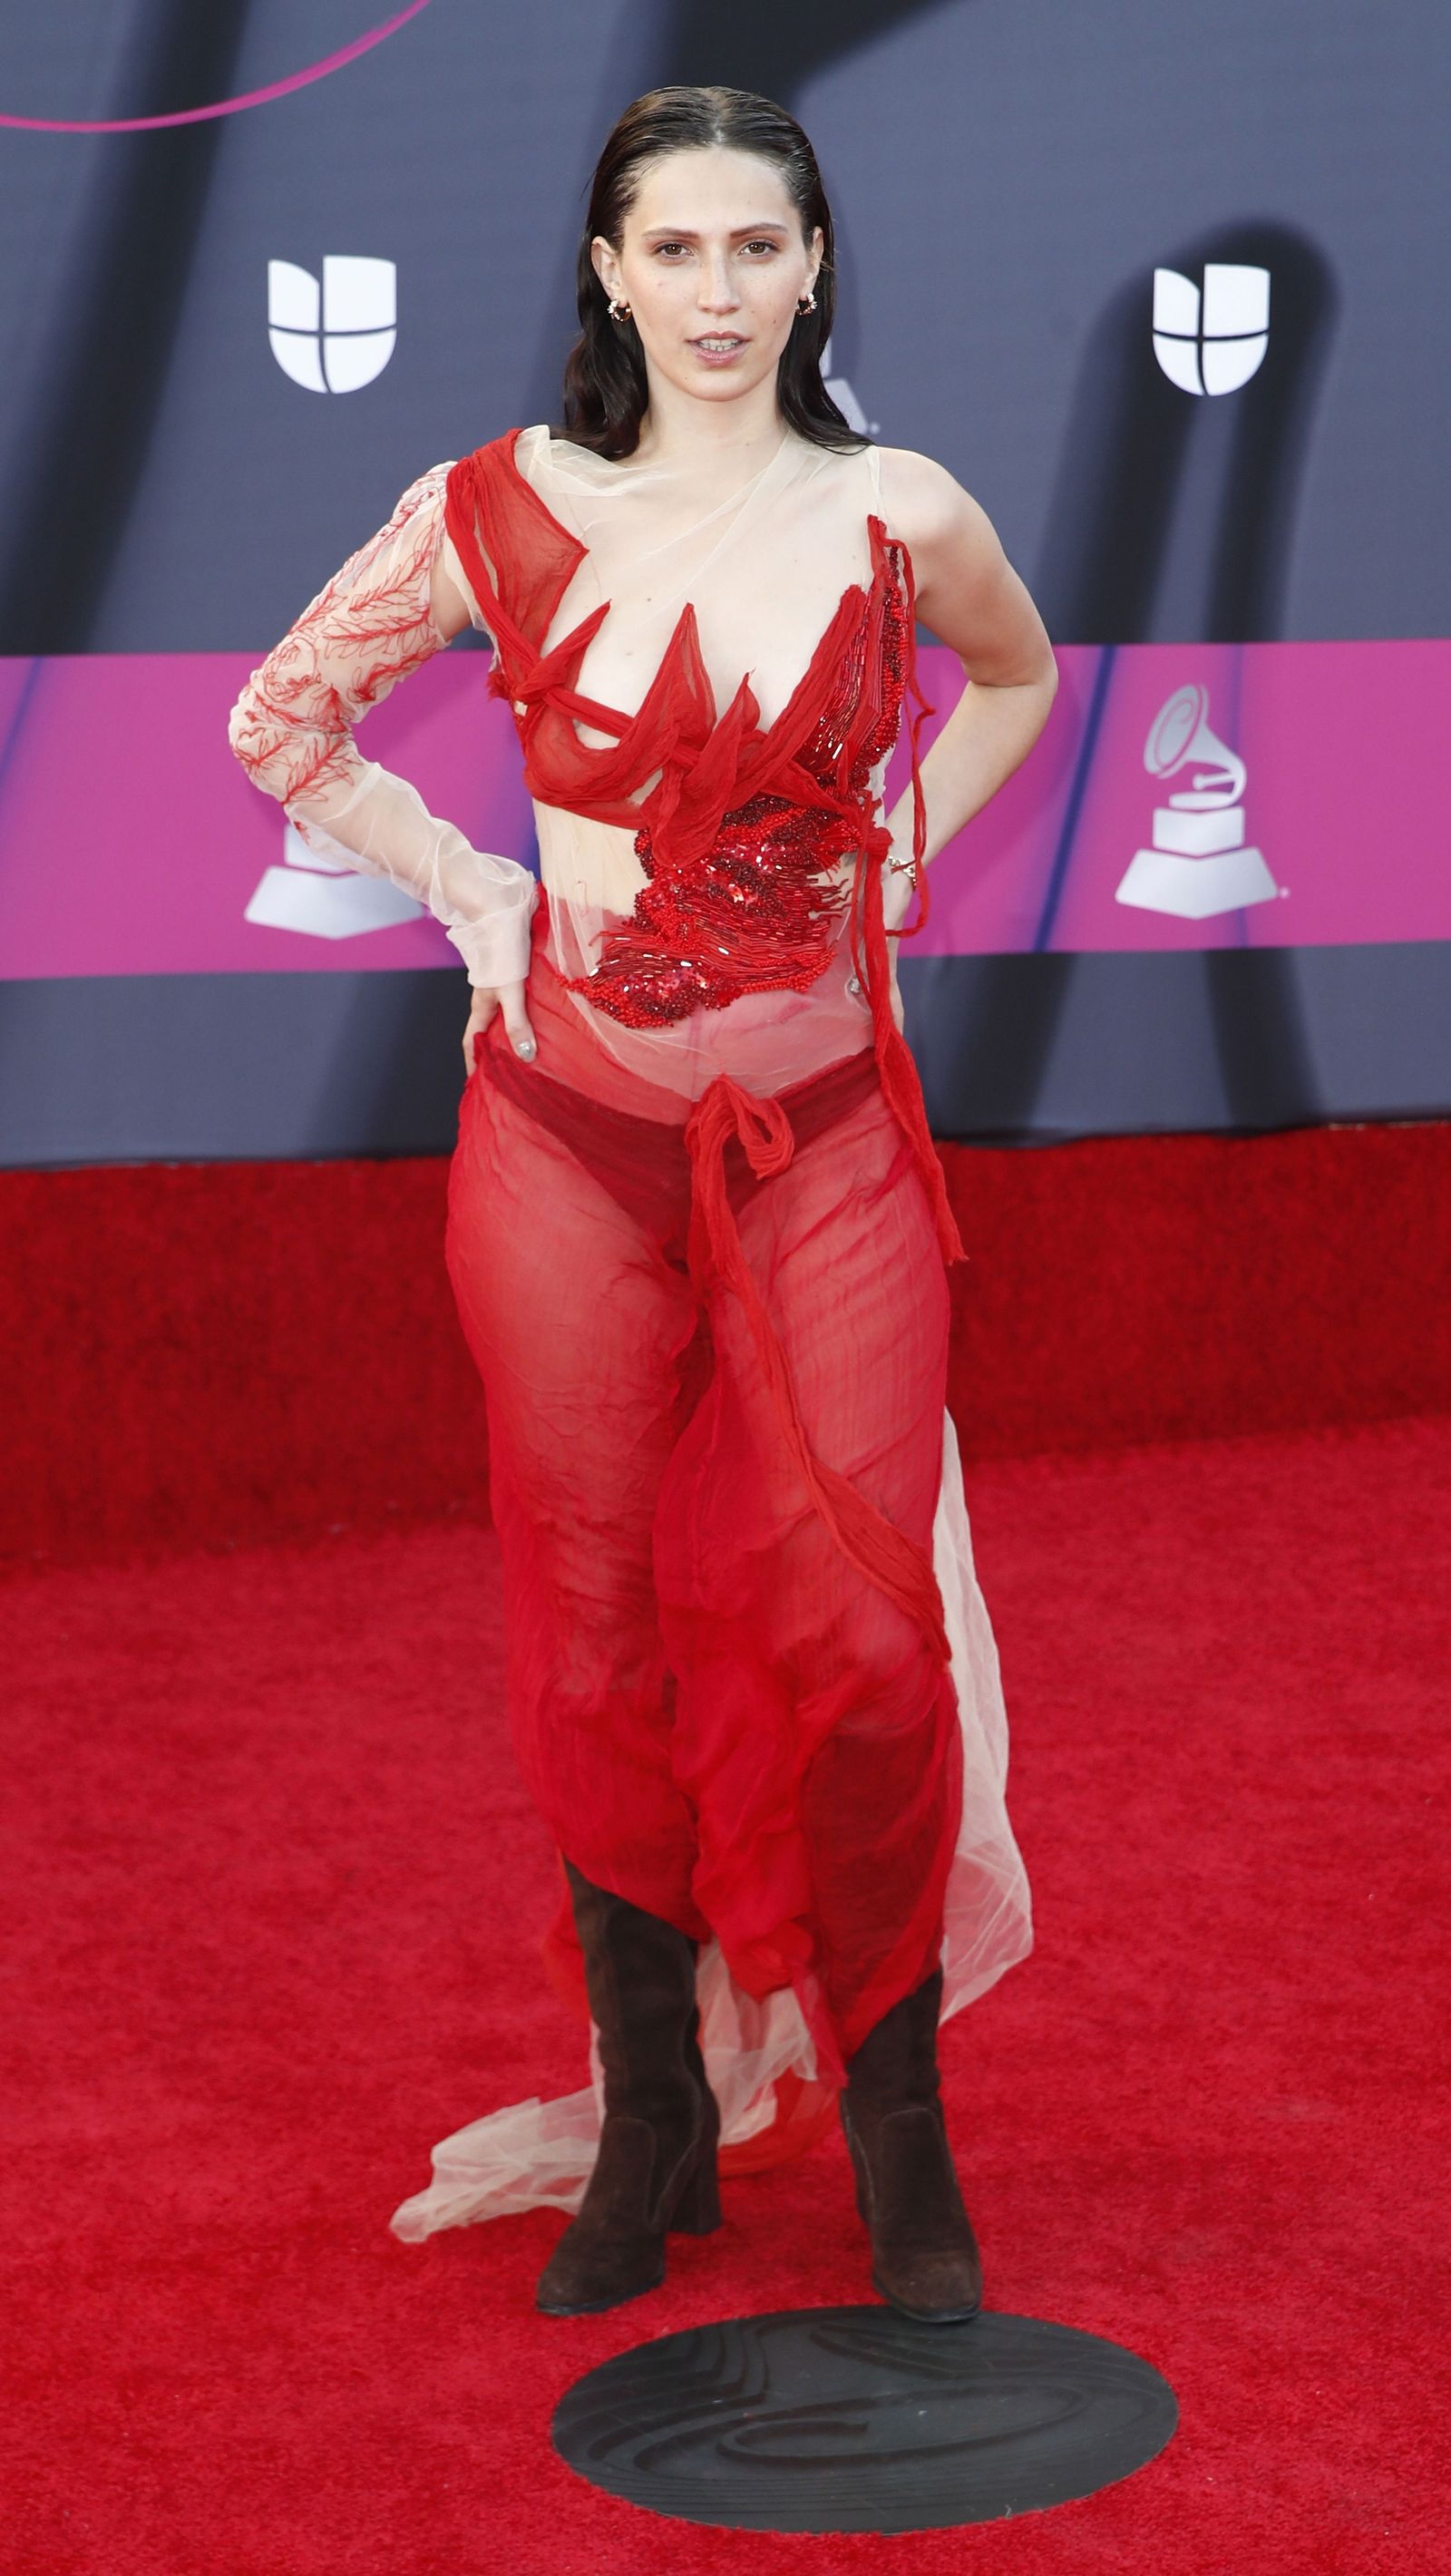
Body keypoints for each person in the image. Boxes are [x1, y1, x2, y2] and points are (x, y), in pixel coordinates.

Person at [229, 84, 1057, 2323]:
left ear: (811, 267)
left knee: (870, 1640)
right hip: (562, 1153)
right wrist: (469, 886)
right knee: (589, 1640)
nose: (713, 293)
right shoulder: (490, 509)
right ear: (606, 269)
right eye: (669, 250)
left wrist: (907, 843)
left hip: (831, 1152)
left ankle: (897, 2122)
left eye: (752, 250)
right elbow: (280, 720)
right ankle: (654, 2112)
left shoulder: (900, 511)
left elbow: (1019, 675)